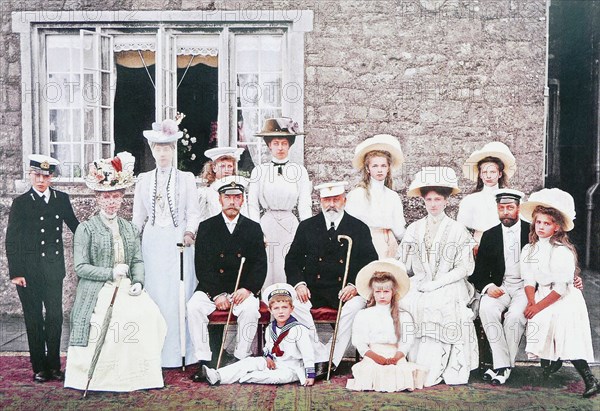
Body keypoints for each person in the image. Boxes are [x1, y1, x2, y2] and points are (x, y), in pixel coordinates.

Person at [64, 152, 167, 392]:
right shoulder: (86, 230)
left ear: (122, 199)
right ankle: (106, 378)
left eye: (116, 197)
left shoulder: (130, 228)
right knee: (117, 320)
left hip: (126, 286)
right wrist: (110, 272)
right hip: (97, 289)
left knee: (150, 314)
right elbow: (81, 268)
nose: (111, 202)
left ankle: (140, 376)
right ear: (98, 199)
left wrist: (138, 281)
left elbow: (137, 260)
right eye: (106, 197)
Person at [285, 181, 378, 374]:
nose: (331, 204)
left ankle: (329, 361)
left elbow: (370, 262)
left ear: (344, 200)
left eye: (336, 199)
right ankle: (317, 353)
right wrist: (299, 284)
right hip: (313, 289)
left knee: (354, 307)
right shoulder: (307, 227)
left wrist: (355, 285)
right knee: (294, 304)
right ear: (319, 201)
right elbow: (291, 260)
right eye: (327, 200)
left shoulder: (358, 227)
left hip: (345, 291)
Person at [399, 167, 478, 387]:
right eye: (429, 199)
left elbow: (464, 268)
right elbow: (403, 262)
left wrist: (437, 283)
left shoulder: (458, 229)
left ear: (446, 202)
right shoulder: (414, 228)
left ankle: (436, 368)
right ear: (423, 201)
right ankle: (412, 363)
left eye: (438, 199)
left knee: (437, 303)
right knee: (407, 301)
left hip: (450, 283)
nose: (433, 204)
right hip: (422, 281)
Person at [132, 118, 201, 368]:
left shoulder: (187, 178)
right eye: (158, 149)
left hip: (178, 242)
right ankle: (155, 353)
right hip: (152, 243)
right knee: (155, 295)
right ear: (152, 150)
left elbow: (193, 212)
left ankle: (182, 352)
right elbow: (138, 217)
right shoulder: (143, 180)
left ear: (174, 150)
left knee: (178, 296)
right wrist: (131, 242)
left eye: (167, 148)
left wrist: (190, 232)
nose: (162, 153)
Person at [5, 155, 79, 383]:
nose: (40, 180)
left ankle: (55, 366)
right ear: (30, 175)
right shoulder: (21, 203)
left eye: (45, 176)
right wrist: (16, 272)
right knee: (34, 319)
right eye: (36, 175)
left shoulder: (61, 199)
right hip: (28, 272)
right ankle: (39, 367)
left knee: (55, 317)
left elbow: (77, 228)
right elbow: (12, 240)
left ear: (52, 177)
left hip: (53, 270)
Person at [520, 188, 599, 398]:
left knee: (566, 333)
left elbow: (561, 288)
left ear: (556, 227)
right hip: (542, 294)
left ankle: (590, 379)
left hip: (563, 297)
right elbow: (528, 279)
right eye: (539, 222)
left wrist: (538, 306)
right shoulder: (529, 250)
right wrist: (531, 302)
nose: (542, 227)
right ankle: (550, 363)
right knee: (540, 325)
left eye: (547, 223)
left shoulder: (561, 251)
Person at [188, 176, 268, 382]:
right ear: (220, 199)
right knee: (193, 307)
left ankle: (241, 359)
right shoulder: (206, 227)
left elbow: (260, 264)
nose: (232, 201)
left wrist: (248, 289)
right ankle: (204, 361)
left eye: (237, 197)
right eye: (227, 197)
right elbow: (202, 266)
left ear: (242, 200)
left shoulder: (253, 227)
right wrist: (216, 294)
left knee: (251, 310)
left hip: (240, 290)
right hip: (211, 289)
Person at [470, 189, 529, 385]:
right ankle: (503, 366)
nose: (505, 212)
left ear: (518, 208)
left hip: (525, 288)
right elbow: (478, 272)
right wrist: (488, 286)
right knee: (486, 308)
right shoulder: (490, 235)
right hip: (501, 286)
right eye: (501, 208)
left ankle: (500, 367)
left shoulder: (532, 232)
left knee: (514, 317)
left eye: (510, 208)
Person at [202, 283, 315, 386]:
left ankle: (243, 376)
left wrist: (310, 375)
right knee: (249, 362)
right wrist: (268, 357)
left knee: (268, 377)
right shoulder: (271, 328)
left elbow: (308, 353)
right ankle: (217, 375)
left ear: (292, 309)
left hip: (291, 369)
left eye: (284, 307)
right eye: (276, 308)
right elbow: (268, 347)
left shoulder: (299, 329)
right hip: (274, 363)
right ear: (270, 311)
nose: (280, 312)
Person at [248, 117, 312, 289]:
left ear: (290, 144)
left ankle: (289, 310)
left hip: (290, 225)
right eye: (276, 143)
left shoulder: (300, 171)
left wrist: (307, 232)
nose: (280, 147)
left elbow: (305, 205)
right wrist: (256, 232)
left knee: (290, 264)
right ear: (269, 145)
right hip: (267, 224)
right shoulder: (259, 171)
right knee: (267, 267)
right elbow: (252, 204)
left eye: (284, 143)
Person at [346, 259, 428, 392]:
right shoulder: (364, 315)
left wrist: (397, 357)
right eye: (378, 292)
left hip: (395, 355)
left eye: (386, 292)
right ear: (372, 292)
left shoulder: (404, 316)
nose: (382, 296)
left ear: (393, 292)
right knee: (368, 371)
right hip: (373, 355)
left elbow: (406, 342)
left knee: (399, 371)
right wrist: (377, 358)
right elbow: (359, 342)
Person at [346, 134, 406, 258]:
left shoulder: (393, 196)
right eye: (375, 166)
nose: (379, 170)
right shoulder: (357, 194)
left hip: (389, 245)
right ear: (368, 169)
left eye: (383, 166)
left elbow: (399, 229)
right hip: (364, 245)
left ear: (388, 168)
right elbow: (349, 227)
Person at [457, 141, 517, 245]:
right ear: (480, 175)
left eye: (492, 172)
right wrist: (473, 245)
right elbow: (460, 229)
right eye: (484, 172)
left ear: (499, 174)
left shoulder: (510, 198)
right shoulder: (470, 201)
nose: (488, 176)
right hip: (478, 247)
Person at [198, 147, 247, 221]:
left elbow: (244, 213)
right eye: (222, 166)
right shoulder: (206, 192)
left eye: (230, 166)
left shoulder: (239, 190)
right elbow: (200, 216)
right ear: (214, 168)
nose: (227, 170)